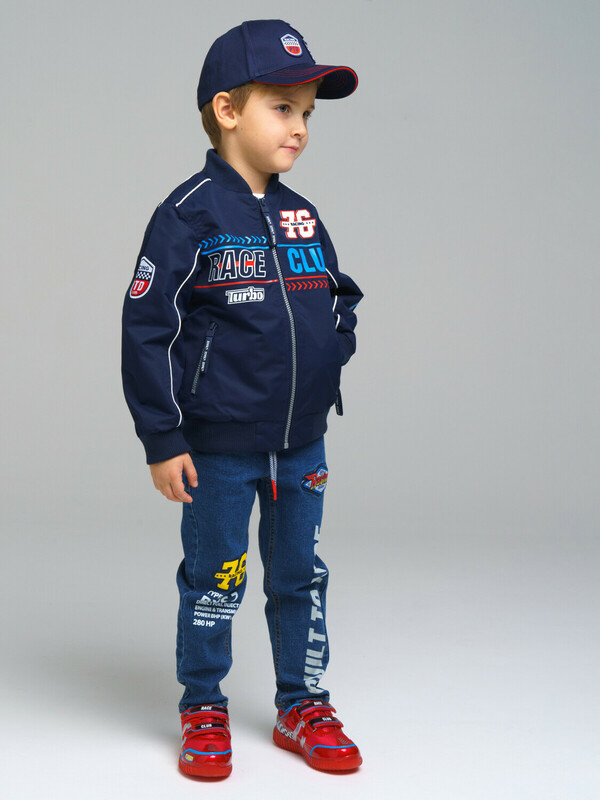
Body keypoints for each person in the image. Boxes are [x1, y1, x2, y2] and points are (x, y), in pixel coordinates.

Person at [121, 19, 363, 779]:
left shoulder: (302, 214)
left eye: (307, 114)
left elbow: (339, 296)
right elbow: (146, 327)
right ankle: (203, 704)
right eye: (282, 108)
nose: (300, 128)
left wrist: (329, 358)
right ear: (227, 111)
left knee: (300, 577)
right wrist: (163, 437)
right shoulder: (187, 214)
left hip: (301, 442)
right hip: (218, 449)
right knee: (216, 579)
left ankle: (303, 702)